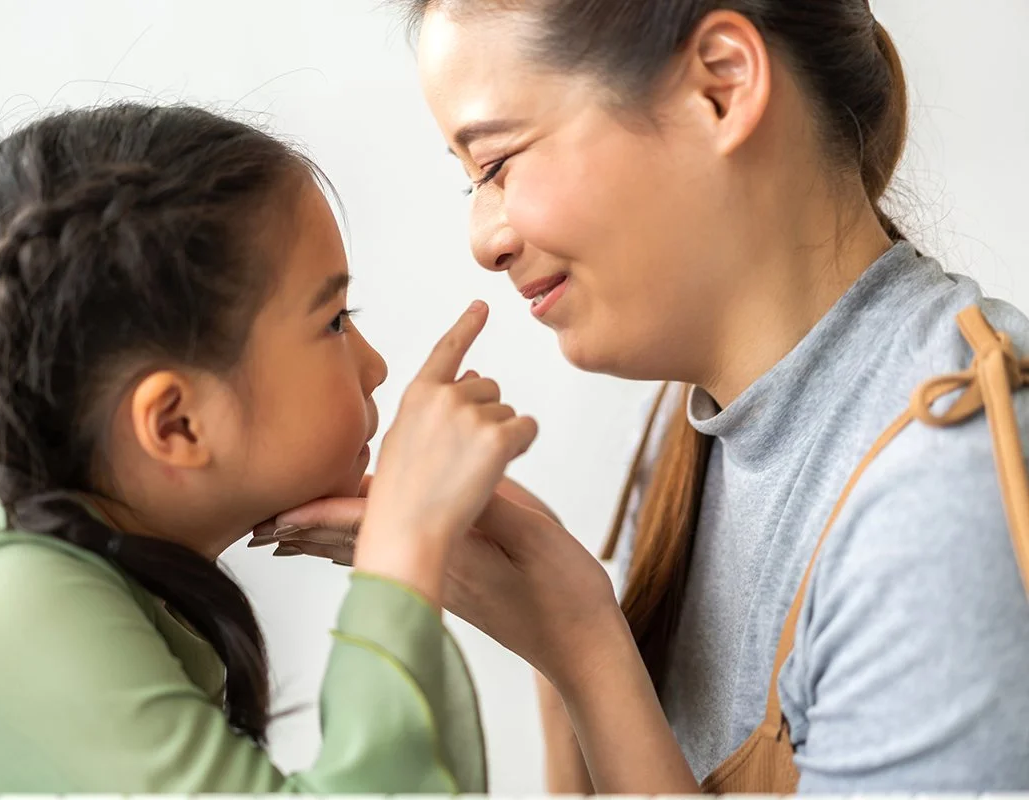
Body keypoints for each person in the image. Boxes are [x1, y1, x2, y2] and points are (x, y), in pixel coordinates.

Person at [256, 0, 1029, 792]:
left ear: (721, 88)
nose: (486, 241)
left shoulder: (942, 497)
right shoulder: (683, 425)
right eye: (472, 186)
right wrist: (553, 630)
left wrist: (583, 647)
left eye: (496, 165)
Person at [0, 103, 540, 792]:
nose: (376, 365)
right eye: (333, 320)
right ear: (176, 425)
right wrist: (406, 545)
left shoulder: (49, 573)